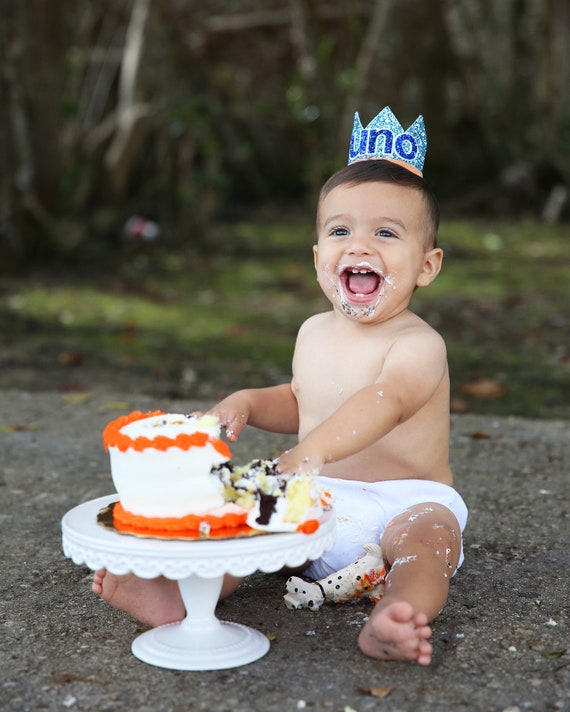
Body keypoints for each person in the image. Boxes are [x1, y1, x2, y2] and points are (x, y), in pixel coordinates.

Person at [93, 109, 468, 666]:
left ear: (427, 266)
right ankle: (182, 598)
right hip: (316, 497)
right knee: (242, 523)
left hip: (404, 499)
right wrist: (246, 400)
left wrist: (310, 452)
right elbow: (303, 400)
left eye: (386, 233)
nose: (359, 246)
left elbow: (385, 403)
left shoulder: (419, 344)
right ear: (319, 259)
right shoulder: (313, 332)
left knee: (426, 545)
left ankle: (397, 614)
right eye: (340, 231)